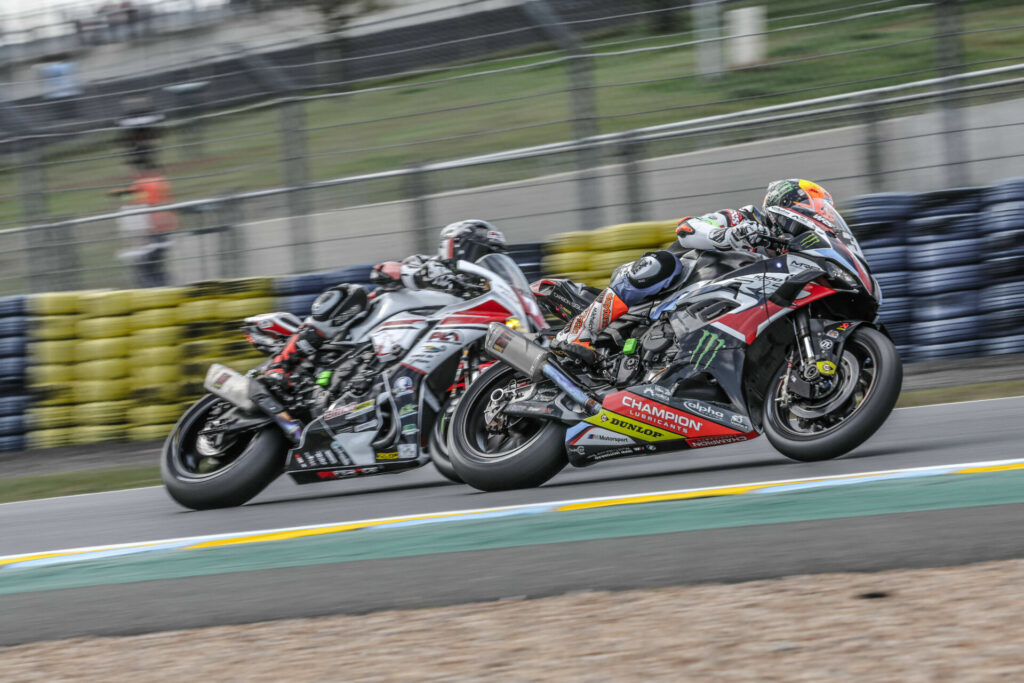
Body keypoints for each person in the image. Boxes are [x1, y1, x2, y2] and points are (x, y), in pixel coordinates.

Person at [553, 179, 835, 365]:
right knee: (660, 263)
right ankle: (576, 331)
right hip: (670, 288)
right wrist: (730, 235)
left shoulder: (786, 257)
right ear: (785, 204)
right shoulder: (746, 218)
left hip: (709, 315)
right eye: (810, 209)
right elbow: (687, 228)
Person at [260, 219, 508, 398]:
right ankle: (281, 364)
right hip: (367, 334)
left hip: (425, 356)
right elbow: (381, 271)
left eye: (489, 256)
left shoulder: (481, 299)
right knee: (350, 294)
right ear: (458, 246)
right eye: (480, 252)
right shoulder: (429, 265)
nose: (481, 261)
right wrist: (421, 274)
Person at [110, 162, 179, 287]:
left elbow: (133, 197)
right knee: (156, 261)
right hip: (167, 226)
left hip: (155, 227)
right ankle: (163, 285)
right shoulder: (162, 181)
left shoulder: (142, 183)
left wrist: (119, 194)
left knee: (143, 266)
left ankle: (155, 288)